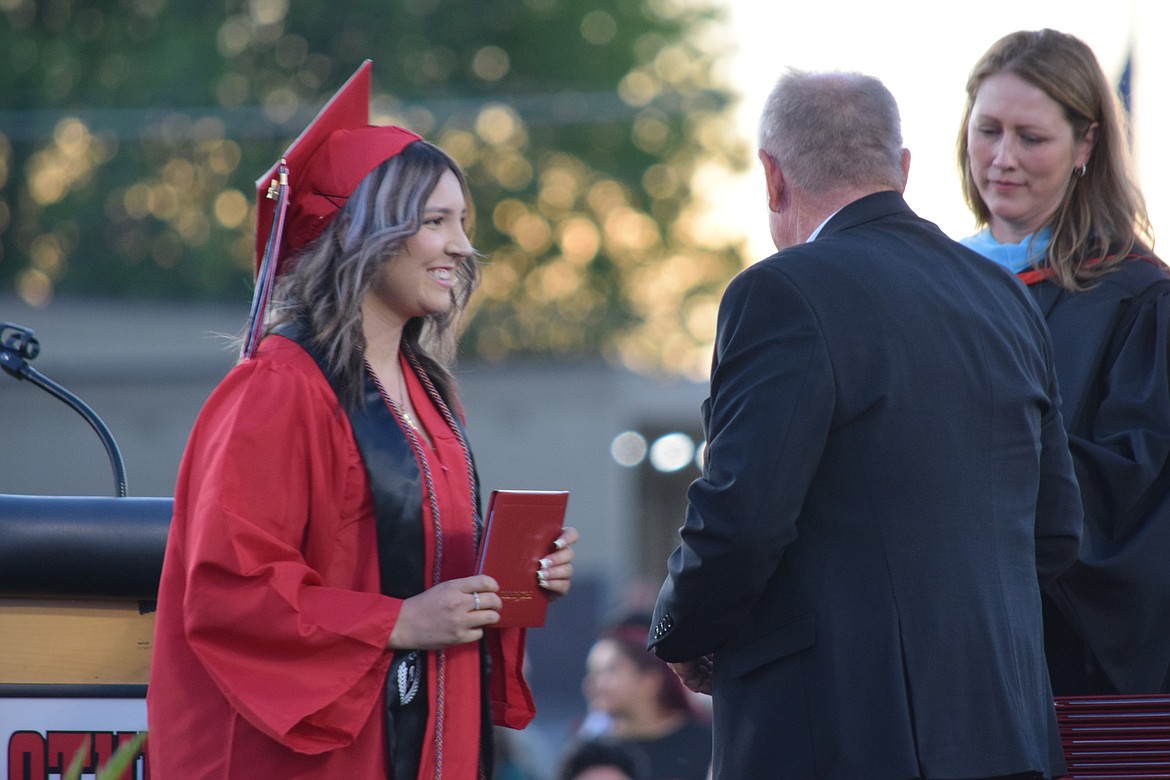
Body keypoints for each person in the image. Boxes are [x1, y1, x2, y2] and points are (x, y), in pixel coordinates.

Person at [647, 69, 1083, 779]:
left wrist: (681, 630)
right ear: (903, 170)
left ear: (772, 177)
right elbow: (1058, 530)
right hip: (1007, 731)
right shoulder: (1004, 298)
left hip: (838, 735)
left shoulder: (782, 292)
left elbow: (743, 518)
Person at [147, 61, 578, 778]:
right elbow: (232, 589)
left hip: (430, 735)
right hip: (325, 752)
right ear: (361, 232)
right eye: (435, 222)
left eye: (462, 224)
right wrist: (401, 622)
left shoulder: (427, 396)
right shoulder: (279, 389)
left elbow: (414, 569)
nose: (463, 248)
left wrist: (510, 580)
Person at [957, 28, 1170, 696]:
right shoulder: (935, 285)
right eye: (987, 130)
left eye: (1032, 137)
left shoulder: (1139, 298)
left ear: (1085, 145)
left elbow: (1132, 492)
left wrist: (973, 459)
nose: (1003, 158)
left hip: (1057, 662)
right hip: (946, 649)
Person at [574, 621, 711, 780]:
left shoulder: (704, 744)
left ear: (650, 680)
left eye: (609, 671)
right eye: (592, 673)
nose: (593, 684)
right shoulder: (590, 750)